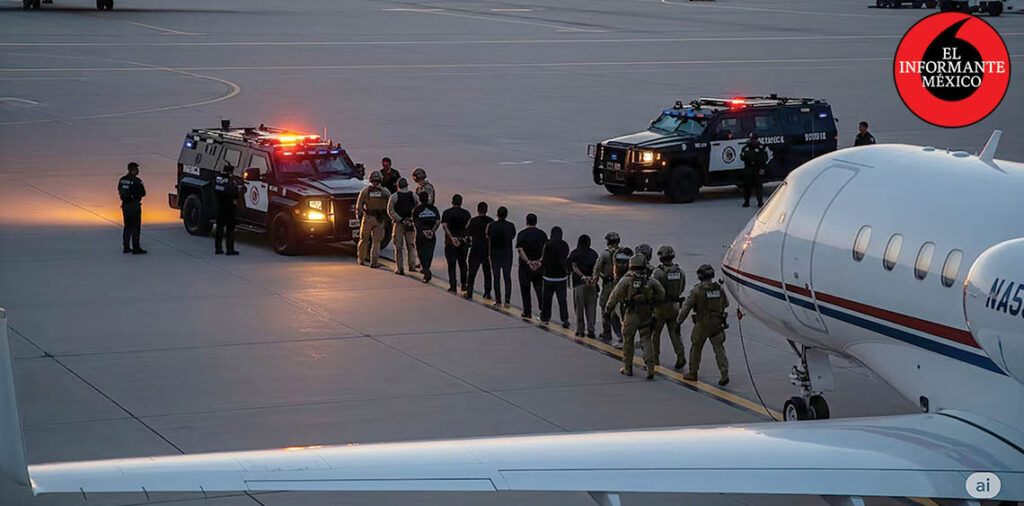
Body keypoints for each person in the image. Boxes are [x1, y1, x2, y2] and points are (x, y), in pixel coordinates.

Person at [606, 254, 664, 380]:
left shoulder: (627, 279)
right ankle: (650, 368)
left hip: (631, 313)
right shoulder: (649, 280)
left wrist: (608, 309)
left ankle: (628, 368)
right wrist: (652, 301)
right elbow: (661, 293)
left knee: (628, 341)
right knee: (646, 339)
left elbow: (614, 295)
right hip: (646, 313)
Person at [678, 264, 730, 386]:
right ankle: (724, 373)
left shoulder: (697, 291)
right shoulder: (719, 289)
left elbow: (686, 308)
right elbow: (726, 303)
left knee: (696, 348)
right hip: (717, 323)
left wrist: (678, 322)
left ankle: (693, 372)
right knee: (719, 348)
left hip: (702, 324)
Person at [651, 246, 686, 369]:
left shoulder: (658, 272)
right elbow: (682, 287)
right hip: (675, 306)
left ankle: (655, 358)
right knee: (674, 331)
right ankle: (680, 355)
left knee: (656, 333)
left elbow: (653, 287)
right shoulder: (680, 271)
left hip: (661, 306)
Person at [356, 171, 392, 267]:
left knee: (363, 239)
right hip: (379, 219)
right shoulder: (385, 192)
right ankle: (374, 261)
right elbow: (390, 206)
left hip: (367, 218)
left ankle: (361, 259)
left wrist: (359, 217)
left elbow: (359, 206)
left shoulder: (365, 191)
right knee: (376, 241)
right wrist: (387, 218)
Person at [515, 213, 547, 319]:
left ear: (526, 221)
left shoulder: (522, 234)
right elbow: (545, 249)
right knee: (539, 289)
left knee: (525, 289)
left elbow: (520, 250)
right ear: (536, 222)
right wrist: (540, 261)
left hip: (525, 267)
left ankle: (527, 311)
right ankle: (543, 311)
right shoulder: (542, 234)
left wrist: (528, 262)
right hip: (539, 267)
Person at [568, 234, 599, 338]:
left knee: (579, 308)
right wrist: (592, 279)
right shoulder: (594, 253)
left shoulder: (575, 253)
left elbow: (574, 267)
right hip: (592, 285)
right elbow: (597, 269)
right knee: (591, 309)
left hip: (579, 284)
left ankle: (580, 330)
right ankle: (591, 330)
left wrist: (583, 277)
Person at [593, 232, 622, 341]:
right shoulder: (623, 253)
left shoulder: (605, 255)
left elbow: (597, 269)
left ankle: (607, 332)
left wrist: (595, 282)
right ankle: (622, 334)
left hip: (608, 286)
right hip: (620, 285)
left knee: (605, 307)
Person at [540, 226, 570, 328]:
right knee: (562, 300)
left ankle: (545, 318)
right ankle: (565, 319)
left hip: (549, 277)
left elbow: (544, 259)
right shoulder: (564, 245)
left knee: (547, 300)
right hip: (561, 278)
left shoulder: (548, 244)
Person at [441, 194, 471, 295]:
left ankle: (453, 286)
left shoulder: (447, 213)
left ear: (452, 202)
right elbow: (468, 227)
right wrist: (464, 238)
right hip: (462, 241)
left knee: (451, 264)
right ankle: (464, 284)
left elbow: (445, 226)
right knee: (463, 263)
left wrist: (452, 237)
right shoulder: (466, 213)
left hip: (450, 242)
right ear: (461, 202)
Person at [486, 206, 516, 307]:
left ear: (497, 214)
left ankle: (498, 300)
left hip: (495, 254)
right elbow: (512, 236)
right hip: (507, 254)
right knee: (507, 277)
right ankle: (507, 300)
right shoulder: (510, 226)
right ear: (506, 215)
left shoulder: (491, 225)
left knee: (496, 277)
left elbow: (488, 236)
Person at [387, 177, 418, 275]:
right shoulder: (413, 195)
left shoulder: (394, 196)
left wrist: (400, 219)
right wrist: (411, 220)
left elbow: (390, 211)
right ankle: (412, 266)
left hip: (399, 224)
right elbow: (417, 208)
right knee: (411, 246)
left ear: (398, 186)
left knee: (398, 247)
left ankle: (400, 268)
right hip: (410, 223)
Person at [465, 202, 494, 300]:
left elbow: (468, 233)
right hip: (486, 249)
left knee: (472, 271)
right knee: (487, 272)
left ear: (478, 210)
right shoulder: (490, 221)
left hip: (475, 248)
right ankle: (487, 292)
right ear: (486, 210)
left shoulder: (473, 221)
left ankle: (469, 291)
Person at [117, 162, 147, 254]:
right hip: (134, 206)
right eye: (136, 169)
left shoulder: (122, 180)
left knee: (127, 226)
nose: (138, 171)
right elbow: (143, 193)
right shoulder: (136, 181)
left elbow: (119, 190)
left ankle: (126, 247)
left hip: (125, 206)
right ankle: (136, 248)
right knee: (135, 227)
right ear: (133, 170)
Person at [412, 191, 440, 283]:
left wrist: (423, 231)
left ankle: (426, 269)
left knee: (421, 253)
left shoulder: (417, 209)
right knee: (429, 253)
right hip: (431, 235)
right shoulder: (433, 208)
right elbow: (438, 221)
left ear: (419, 199)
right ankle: (427, 268)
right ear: (428, 198)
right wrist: (432, 231)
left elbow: (415, 222)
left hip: (420, 235)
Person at [214, 164, 240, 256]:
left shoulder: (218, 179)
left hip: (219, 206)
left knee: (219, 228)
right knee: (230, 229)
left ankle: (218, 249)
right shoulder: (231, 181)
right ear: (230, 172)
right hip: (229, 208)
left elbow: (215, 190)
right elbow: (233, 193)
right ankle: (230, 249)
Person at [740, 132, 768, 208]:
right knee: (747, 186)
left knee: (758, 186)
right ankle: (746, 202)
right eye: (752, 139)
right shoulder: (745, 148)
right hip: (748, 168)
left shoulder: (761, 147)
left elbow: (764, 158)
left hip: (757, 169)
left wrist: (763, 168)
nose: (754, 140)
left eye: (755, 139)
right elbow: (742, 157)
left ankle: (760, 202)